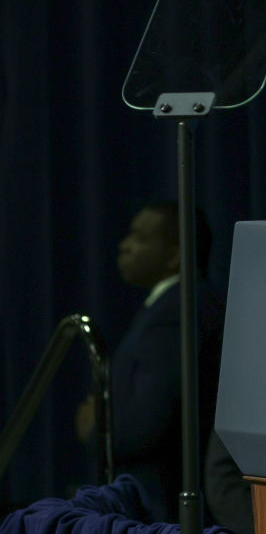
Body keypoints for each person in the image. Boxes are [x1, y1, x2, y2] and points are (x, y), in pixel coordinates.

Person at [75, 201, 226, 523]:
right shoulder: (176, 305)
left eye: (140, 238)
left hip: (163, 504)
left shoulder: (176, 311)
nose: (124, 245)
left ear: (175, 254)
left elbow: (147, 423)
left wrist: (95, 428)